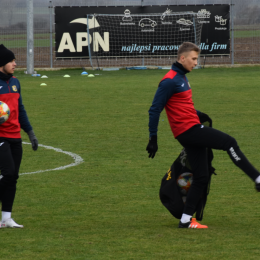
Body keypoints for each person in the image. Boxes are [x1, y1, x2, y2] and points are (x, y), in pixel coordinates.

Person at [146, 42, 260, 229]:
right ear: (182, 58)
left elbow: (181, 106)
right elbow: (154, 110)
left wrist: (199, 114)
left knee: (201, 176)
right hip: (188, 131)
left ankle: (185, 220)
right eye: (193, 59)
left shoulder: (182, 77)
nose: (196, 63)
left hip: (191, 127)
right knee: (229, 142)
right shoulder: (169, 80)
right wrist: (153, 138)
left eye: (196, 59)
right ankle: (257, 178)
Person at [0, 44, 38, 228]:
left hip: (15, 135)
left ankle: (6, 218)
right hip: (0, 136)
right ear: (1, 63)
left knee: (13, 176)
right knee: (7, 173)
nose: (15, 63)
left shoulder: (15, 82)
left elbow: (20, 109)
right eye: (11, 60)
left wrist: (30, 133)